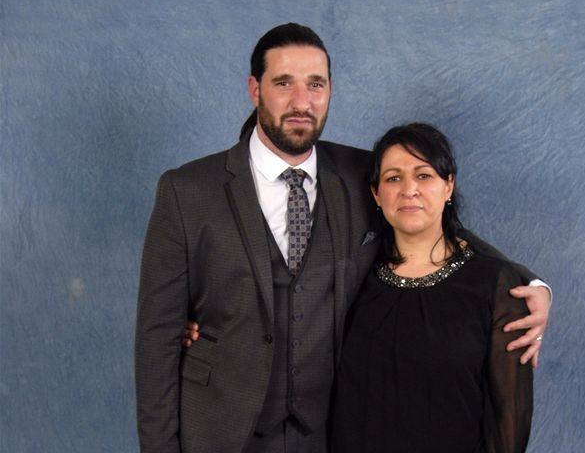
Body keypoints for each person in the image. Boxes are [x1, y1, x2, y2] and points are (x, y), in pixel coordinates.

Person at [136, 23, 549, 453]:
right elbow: (156, 342)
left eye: (316, 84)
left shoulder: (360, 174)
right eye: (284, 83)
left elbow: (432, 221)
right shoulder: (187, 191)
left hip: (327, 434)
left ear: (330, 88)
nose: (302, 102)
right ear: (254, 89)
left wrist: (529, 283)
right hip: (219, 430)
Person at [330, 123, 533, 452]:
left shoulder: (497, 286)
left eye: (423, 175)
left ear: (448, 185)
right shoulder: (355, 280)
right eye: (393, 177)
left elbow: (509, 423)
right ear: (376, 194)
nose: (408, 189)